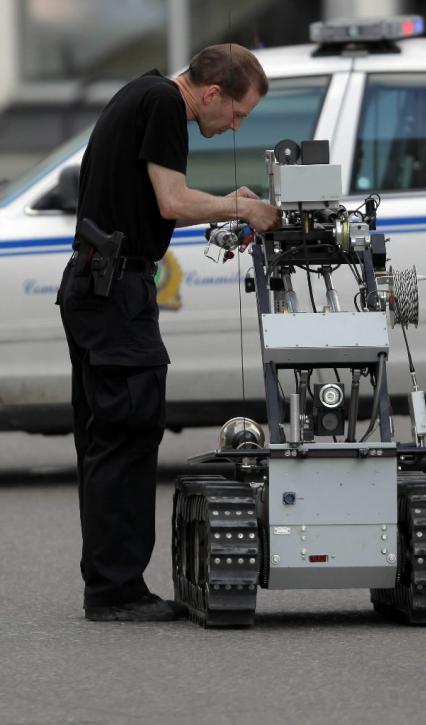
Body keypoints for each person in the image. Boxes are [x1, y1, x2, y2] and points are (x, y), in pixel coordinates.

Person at [57, 44, 281, 622]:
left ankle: (107, 584)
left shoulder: (140, 92)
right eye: (238, 112)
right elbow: (172, 201)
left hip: (94, 284)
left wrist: (227, 205)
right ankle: (116, 592)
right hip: (115, 292)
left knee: (105, 442)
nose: (235, 125)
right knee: (128, 438)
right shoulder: (161, 103)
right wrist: (237, 208)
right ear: (211, 93)